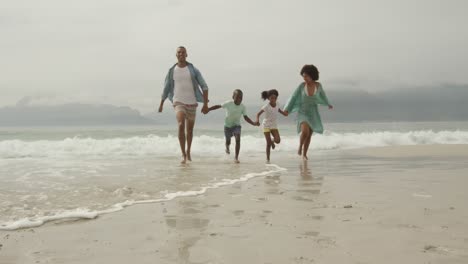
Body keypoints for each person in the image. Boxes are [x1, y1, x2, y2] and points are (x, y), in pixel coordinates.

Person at [158, 46, 210, 164]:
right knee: (181, 124)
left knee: (190, 131)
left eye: (183, 52)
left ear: (186, 55)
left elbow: (204, 86)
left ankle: (188, 151)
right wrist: (161, 103)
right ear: (176, 55)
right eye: (179, 52)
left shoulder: (193, 70)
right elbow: (166, 88)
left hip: (192, 102)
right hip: (178, 102)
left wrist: (205, 104)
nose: (181, 54)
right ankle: (183, 154)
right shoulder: (172, 71)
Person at [283, 64, 333, 161]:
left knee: (309, 134)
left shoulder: (318, 85)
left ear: (312, 75)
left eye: (306, 76)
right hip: (303, 112)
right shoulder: (302, 86)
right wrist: (287, 109)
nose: (304, 78)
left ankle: (304, 154)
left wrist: (328, 104)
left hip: (313, 112)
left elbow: (323, 95)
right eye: (303, 76)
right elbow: (293, 97)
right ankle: (300, 146)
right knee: (305, 131)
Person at [206, 89, 258, 163]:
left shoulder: (243, 107)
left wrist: (253, 123)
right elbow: (219, 106)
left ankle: (236, 158)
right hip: (227, 126)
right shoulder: (229, 103)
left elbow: (246, 117)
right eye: (237, 97)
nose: (239, 99)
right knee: (228, 141)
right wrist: (209, 109)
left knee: (238, 139)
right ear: (233, 97)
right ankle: (227, 147)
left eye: (241, 97)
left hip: (236, 125)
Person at [256, 89, 288, 163]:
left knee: (278, 140)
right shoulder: (266, 106)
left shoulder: (278, 104)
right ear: (268, 98)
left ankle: (272, 141)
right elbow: (258, 114)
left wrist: (285, 114)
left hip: (274, 125)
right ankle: (268, 159)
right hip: (266, 125)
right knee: (268, 143)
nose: (273, 99)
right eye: (272, 98)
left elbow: (279, 111)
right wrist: (257, 120)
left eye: (275, 98)